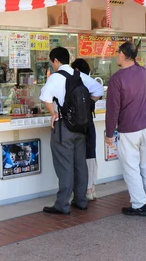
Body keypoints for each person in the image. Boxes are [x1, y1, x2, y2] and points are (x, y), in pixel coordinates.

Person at [40, 47, 104, 215]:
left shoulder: (56, 77)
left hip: (64, 127)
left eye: (51, 62)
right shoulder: (79, 76)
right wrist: (84, 108)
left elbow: (45, 97)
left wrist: (54, 113)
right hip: (81, 127)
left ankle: (62, 204)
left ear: (55, 61)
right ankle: (81, 200)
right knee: (80, 164)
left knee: (64, 165)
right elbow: (98, 90)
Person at [105, 42, 146, 217]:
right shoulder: (142, 72)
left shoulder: (116, 79)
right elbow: (136, 66)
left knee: (131, 168)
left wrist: (108, 133)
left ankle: (139, 204)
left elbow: (113, 109)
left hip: (129, 130)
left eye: (117, 53)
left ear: (122, 54)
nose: (116, 56)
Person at [72, 58, 99, 201]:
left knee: (81, 157)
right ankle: (92, 189)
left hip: (79, 125)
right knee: (91, 155)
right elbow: (99, 90)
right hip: (89, 123)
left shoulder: (78, 80)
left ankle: (86, 189)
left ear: (76, 70)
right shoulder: (88, 82)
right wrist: (89, 102)